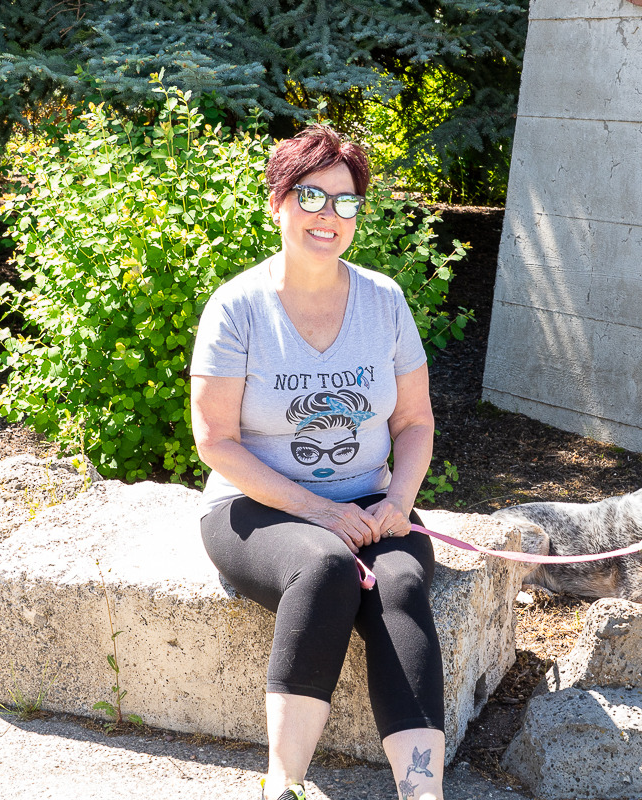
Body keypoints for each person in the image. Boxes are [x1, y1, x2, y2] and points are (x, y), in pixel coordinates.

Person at [190, 123, 445, 800]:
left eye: (346, 202)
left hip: (371, 505)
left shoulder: (384, 300)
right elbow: (214, 438)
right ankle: (286, 787)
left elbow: (415, 421)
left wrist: (396, 504)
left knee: (398, 584)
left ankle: (423, 791)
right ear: (277, 202)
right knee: (327, 566)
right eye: (311, 197)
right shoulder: (237, 308)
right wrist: (320, 511)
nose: (329, 216)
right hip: (256, 508)